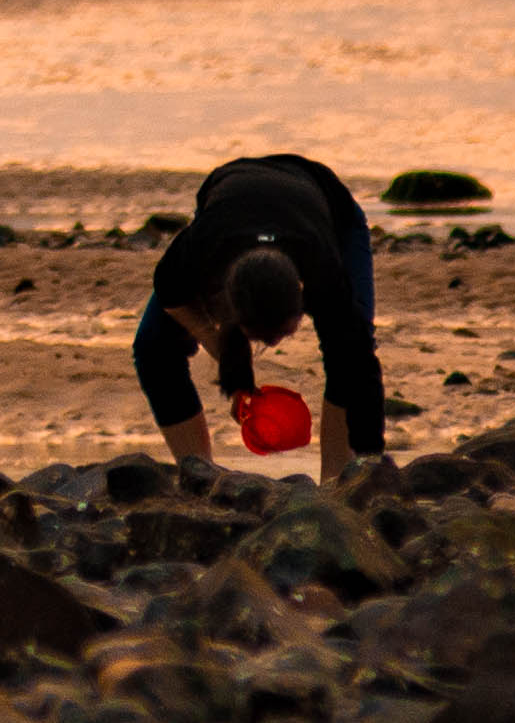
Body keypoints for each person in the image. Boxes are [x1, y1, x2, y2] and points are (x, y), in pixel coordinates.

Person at [137, 150, 394, 486]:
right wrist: (231, 361)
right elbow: (171, 295)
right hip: (230, 201)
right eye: (261, 336)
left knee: (348, 352)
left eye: (281, 333)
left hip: (327, 206)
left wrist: (369, 467)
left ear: (303, 300)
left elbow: (361, 369)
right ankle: (199, 477)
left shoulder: (322, 271)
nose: (272, 344)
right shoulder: (198, 251)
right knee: (153, 346)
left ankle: (337, 485)